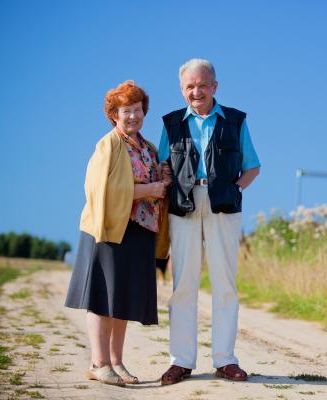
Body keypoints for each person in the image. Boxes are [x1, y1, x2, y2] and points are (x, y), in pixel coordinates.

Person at [158, 58, 260, 385]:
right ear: (182, 89)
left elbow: (252, 166)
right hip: (183, 206)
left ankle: (225, 360)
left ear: (215, 87)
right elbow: (163, 167)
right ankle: (181, 361)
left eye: (203, 85)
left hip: (223, 207)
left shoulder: (235, 120)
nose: (197, 91)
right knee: (182, 285)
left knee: (224, 284)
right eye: (190, 86)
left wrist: (235, 189)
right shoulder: (171, 123)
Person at [65, 80, 170, 386]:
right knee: (101, 298)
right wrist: (149, 189)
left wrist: (162, 179)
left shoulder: (147, 147)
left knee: (121, 299)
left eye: (137, 110)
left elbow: (157, 184)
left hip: (138, 232)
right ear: (114, 114)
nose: (133, 116)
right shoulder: (108, 145)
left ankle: (116, 362)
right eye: (127, 111)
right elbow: (99, 189)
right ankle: (99, 363)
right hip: (108, 230)